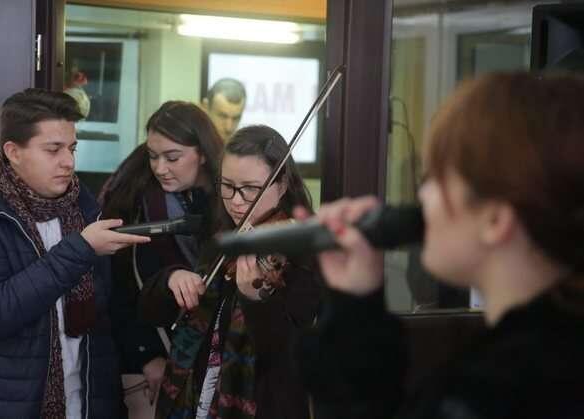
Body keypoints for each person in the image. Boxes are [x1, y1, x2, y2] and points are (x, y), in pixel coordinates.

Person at [296, 72, 584, 419]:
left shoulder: (494, 391)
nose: (422, 196)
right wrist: (354, 305)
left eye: (436, 178)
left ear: (495, 220)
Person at [0, 88, 150, 419]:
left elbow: (106, 320)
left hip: (81, 403)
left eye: (72, 148)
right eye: (53, 150)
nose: (68, 162)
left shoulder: (84, 207)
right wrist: (81, 249)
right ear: (13, 152)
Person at [141, 125, 322, 419]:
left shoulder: (306, 254)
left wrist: (255, 300)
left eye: (251, 189)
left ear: (282, 185)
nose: (236, 201)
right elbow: (151, 313)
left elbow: (289, 357)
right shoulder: (221, 240)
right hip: (196, 398)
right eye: (227, 186)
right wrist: (171, 279)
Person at [99, 100, 223, 418]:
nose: (159, 168)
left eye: (172, 157)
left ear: (203, 153)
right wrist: (145, 354)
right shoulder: (136, 201)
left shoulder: (226, 200)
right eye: (153, 156)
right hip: (153, 351)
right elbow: (120, 286)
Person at [201, 78, 246, 142]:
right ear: (205, 108)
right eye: (222, 116)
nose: (228, 128)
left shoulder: (244, 146)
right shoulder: (189, 144)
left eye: (236, 118)